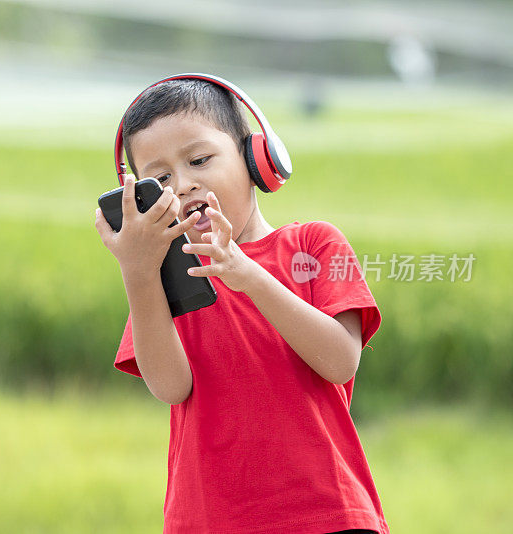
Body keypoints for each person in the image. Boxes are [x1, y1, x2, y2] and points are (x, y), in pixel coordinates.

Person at [94, 77, 389, 534]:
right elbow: (171, 386)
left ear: (256, 158)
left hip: (327, 512)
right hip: (209, 520)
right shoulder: (166, 278)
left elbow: (340, 360)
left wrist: (249, 275)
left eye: (199, 160)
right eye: (161, 179)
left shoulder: (316, 243)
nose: (185, 184)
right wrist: (137, 270)